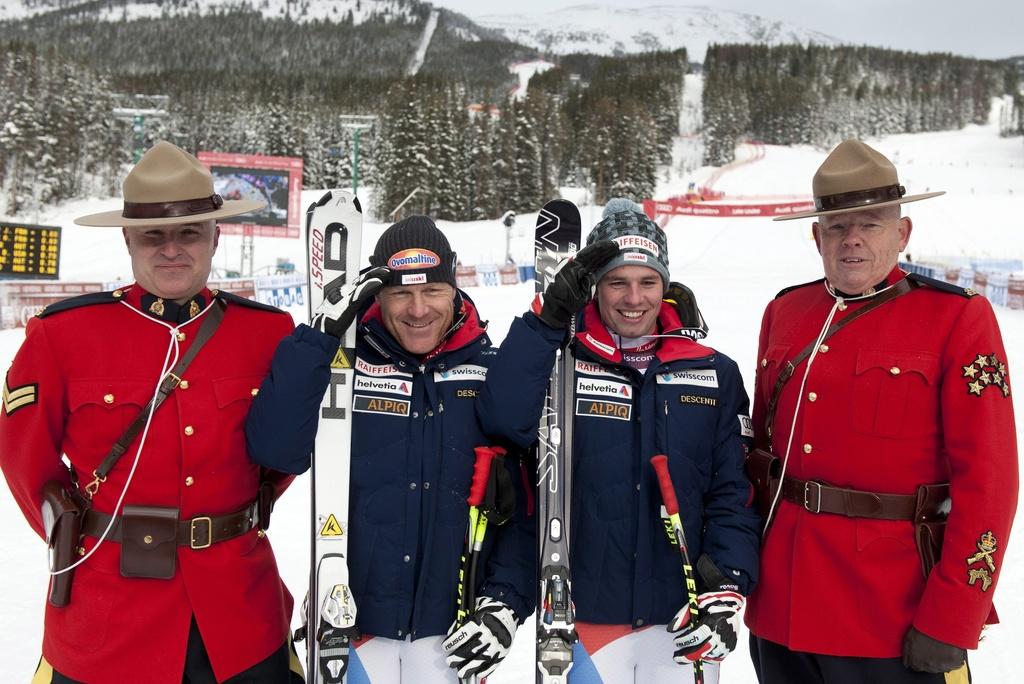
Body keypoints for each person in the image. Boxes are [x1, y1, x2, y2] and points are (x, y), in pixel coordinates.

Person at [0, 141, 301, 683]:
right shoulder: (63, 335)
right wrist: (79, 531)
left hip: (240, 615)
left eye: (188, 232)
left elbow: (280, 456)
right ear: (127, 239)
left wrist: (229, 518)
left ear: (215, 235)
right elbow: (27, 463)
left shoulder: (267, 334)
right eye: (152, 235)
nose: (171, 250)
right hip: (108, 616)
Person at [745, 139, 1018, 683]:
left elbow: (990, 483)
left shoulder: (956, 319)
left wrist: (955, 615)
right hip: (781, 606)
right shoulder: (786, 312)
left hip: (889, 612)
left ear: (903, 233)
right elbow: (760, 459)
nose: (852, 240)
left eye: (870, 224)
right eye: (837, 225)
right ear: (816, 234)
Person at [477, 199, 761, 683]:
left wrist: (728, 585)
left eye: (648, 281)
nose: (634, 298)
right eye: (617, 282)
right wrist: (545, 324)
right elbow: (501, 419)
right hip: (586, 617)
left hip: (683, 617)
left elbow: (734, 495)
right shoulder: (558, 359)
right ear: (595, 287)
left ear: (665, 285)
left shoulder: (713, 373)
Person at [245, 215, 535, 682]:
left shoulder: (489, 371)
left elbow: (521, 508)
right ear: (377, 295)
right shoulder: (344, 365)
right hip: (354, 626)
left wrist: (504, 602)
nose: (418, 309)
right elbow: (275, 450)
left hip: (452, 630)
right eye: (401, 292)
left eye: (432, 291)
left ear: (455, 289)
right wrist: (318, 339)